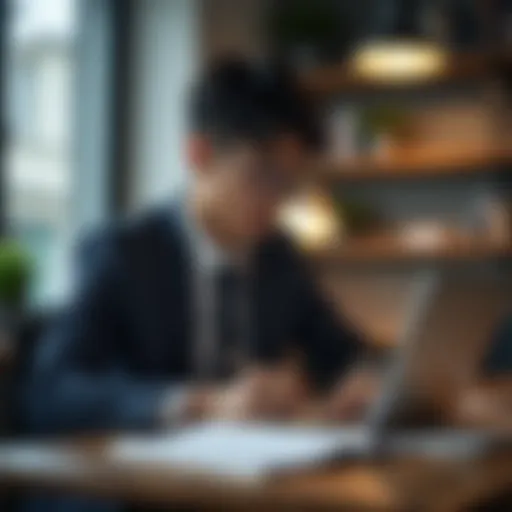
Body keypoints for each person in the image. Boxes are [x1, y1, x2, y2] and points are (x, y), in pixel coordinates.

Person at [20, 58, 375, 437]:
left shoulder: (279, 257)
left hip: (243, 485)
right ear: (199, 155)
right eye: (262, 175)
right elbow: (48, 393)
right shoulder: (123, 253)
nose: (278, 201)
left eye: (290, 183)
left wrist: (364, 382)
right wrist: (202, 404)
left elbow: (345, 354)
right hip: (135, 486)